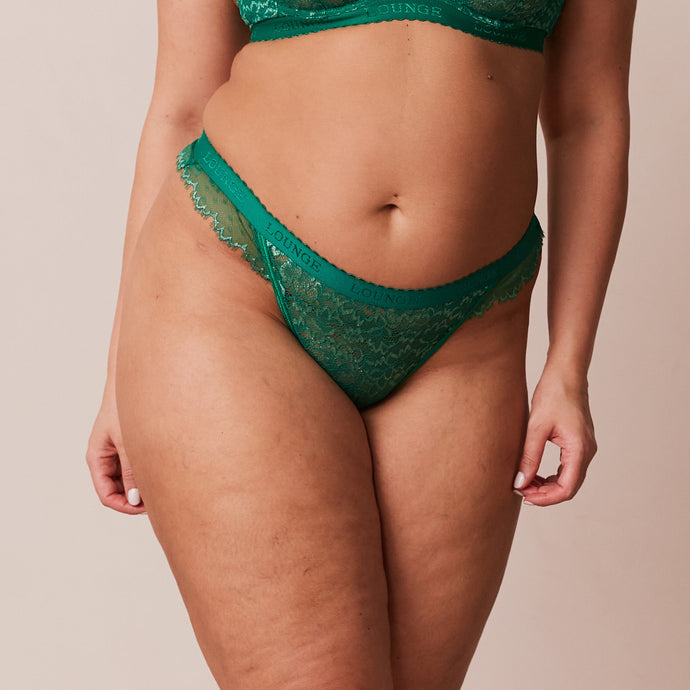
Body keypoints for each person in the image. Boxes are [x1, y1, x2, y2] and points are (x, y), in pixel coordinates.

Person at [86, 0, 636, 686]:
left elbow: (590, 115)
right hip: (236, 295)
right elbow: (182, 104)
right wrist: (120, 374)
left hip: (466, 341)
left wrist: (569, 365)